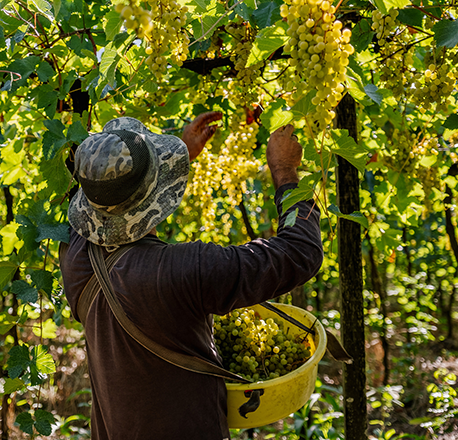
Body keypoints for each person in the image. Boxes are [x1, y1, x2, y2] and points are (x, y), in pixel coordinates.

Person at [59, 113, 323, 440]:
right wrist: (285, 170)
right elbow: (299, 253)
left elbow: (112, 191)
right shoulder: (182, 272)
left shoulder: (73, 253)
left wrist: (175, 156)